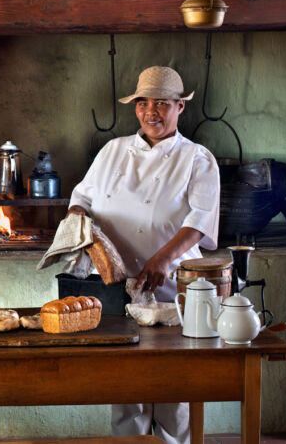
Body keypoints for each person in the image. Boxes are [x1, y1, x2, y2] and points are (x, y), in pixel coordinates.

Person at [67, 65, 220, 444]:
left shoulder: (197, 158)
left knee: (173, 385)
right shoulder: (112, 150)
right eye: (143, 103)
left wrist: (163, 259)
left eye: (162, 103)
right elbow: (81, 198)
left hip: (171, 286)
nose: (151, 112)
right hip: (114, 286)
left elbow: (199, 220)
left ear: (180, 107)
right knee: (126, 385)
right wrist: (79, 226)